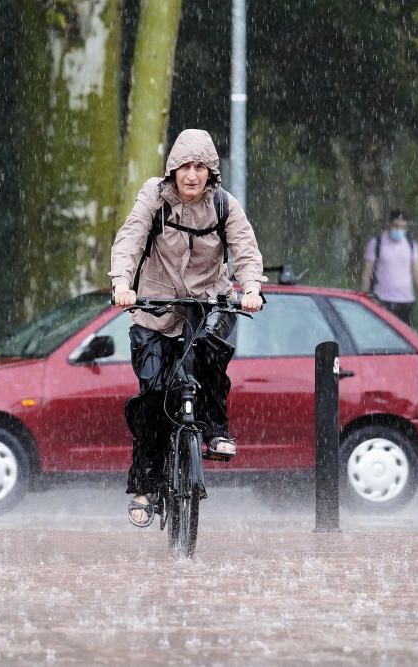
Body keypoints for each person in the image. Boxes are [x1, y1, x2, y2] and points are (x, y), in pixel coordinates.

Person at [109, 129, 266, 528]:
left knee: (212, 361)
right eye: (185, 167)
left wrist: (250, 289)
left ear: (211, 172)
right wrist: (122, 284)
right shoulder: (154, 197)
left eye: (200, 168)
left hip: (206, 303)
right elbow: (130, 237)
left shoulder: (224, 205)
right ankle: (145, 483)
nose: (192, 175)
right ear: (172, 169)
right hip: (155, 309)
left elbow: (245, 249)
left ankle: (215, 431)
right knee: (153, 395)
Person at [360, 210, 418, 325]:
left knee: (403, 338)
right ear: (389, 224)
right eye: (396, 226)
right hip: (382, 299)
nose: (399, 230)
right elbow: (367, 272)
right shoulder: (377, 243)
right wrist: (364, 295)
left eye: (403, 227)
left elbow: (417, 269)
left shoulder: (411, 245)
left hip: (406, 300)